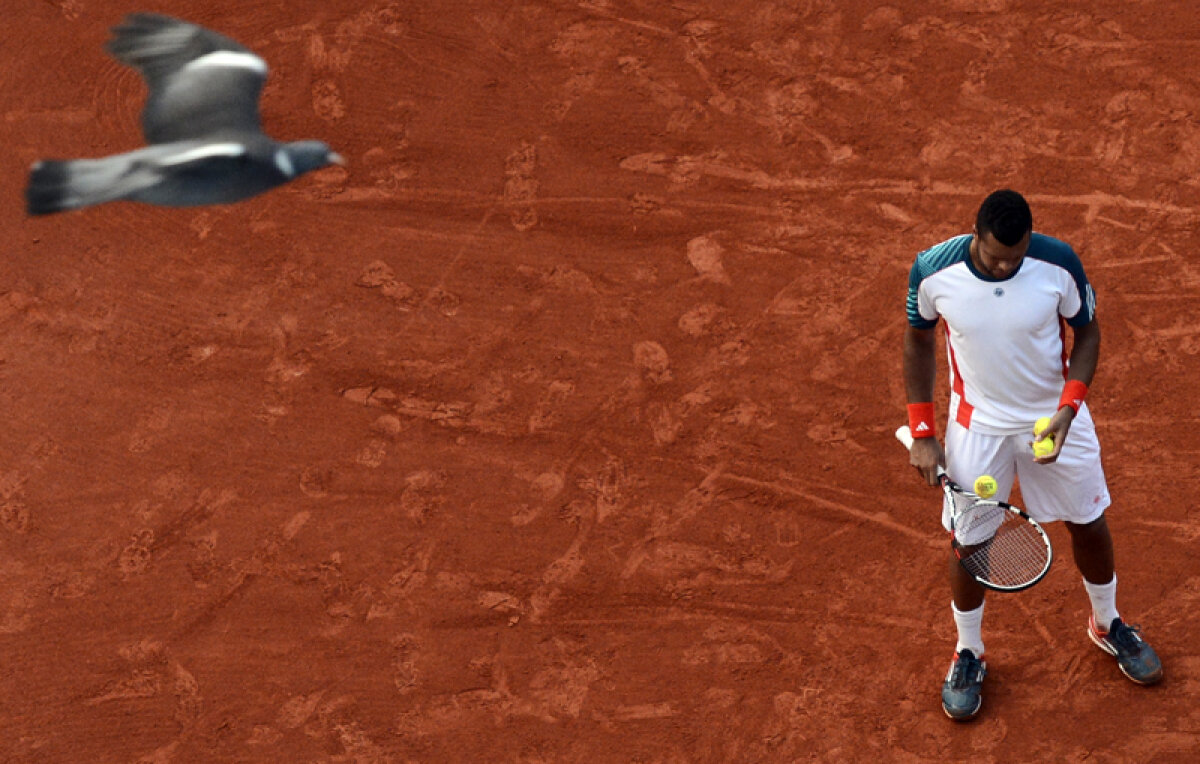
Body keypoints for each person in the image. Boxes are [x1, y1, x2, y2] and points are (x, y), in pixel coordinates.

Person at [902, 189, 1162, 721]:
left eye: (1015, 257)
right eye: (996, 256)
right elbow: (918, 342)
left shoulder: (1057, 263)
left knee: (1089, 522)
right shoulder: (933, 270)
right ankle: (968, 651)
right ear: (975, 236)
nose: (1005, 266)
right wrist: (923, 431)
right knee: (969, 543)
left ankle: (1108, 623)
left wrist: (1068, 410)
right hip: (978, 427)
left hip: (1053, 419)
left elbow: (1087, 333)